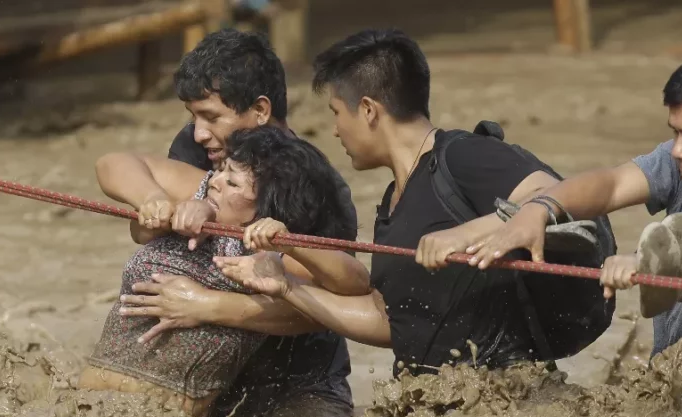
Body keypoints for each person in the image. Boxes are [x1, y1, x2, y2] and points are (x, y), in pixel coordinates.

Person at [215, 29, 616, 376]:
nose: (335, 131)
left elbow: (550, 194)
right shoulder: (393, 204)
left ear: (368, 110)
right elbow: (389, 321)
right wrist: (287, 287)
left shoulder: (463, 155)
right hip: (433, 406)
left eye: (336, 112)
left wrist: (465, 234)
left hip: (509, 400)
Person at [467, 47, 682, 357]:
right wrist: (539, 209)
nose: (678, 149)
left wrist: (645, 258)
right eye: (675, 132)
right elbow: (611, 184)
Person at [117, 28, 362, 417]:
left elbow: (330, 306)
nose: (198, 132)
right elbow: (131, 197)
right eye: (193, 116)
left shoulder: (316, 185)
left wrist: (207, 305)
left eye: (211, 117)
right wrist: (154, 204)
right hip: (212, 379)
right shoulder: (203, 148)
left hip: (297, 386)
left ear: (261, 110)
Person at [80, 126, 369, 417]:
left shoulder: (264, 253)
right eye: (220, 170)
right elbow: (110, 164)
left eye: (232, 182)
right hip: (84, 410)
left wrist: (290, 244)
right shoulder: (199, 196)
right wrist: (155, 199)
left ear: (263, 212)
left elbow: (354, 283)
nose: (214, 181)